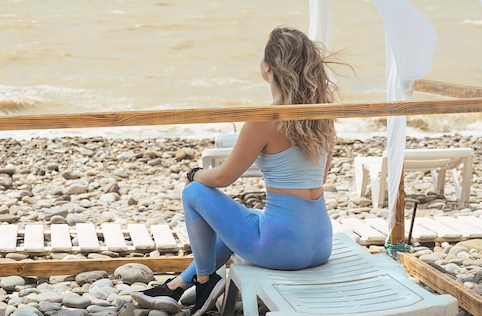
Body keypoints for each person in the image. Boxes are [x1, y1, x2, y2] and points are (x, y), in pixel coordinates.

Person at [131, 26, 340, 316]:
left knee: (194, 193)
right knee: (244, 219)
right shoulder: (323, 117)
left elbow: (222, 178)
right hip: (319, 244)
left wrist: (194, 174)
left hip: (282, 249)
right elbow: (322, 177)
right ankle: (179, 284)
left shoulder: (263, 120)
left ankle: (204, 280)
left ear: (266, 68)